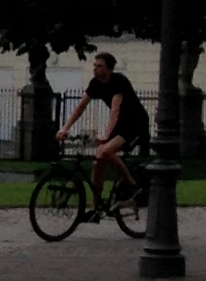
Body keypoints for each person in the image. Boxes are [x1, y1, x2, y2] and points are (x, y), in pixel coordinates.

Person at [57, 51, 149, 204]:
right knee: (98, 162)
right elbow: (80, 107)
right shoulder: (95, 83)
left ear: (108, 69)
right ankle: (97, 206)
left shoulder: (119, 81)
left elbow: (115, 109)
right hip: (120, 124)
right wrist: (64, 128)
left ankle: (133, 186)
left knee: (105, 151)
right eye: (94, 65)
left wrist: (107, 134)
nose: (95, 68)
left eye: (99, 66)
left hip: (135, 124)